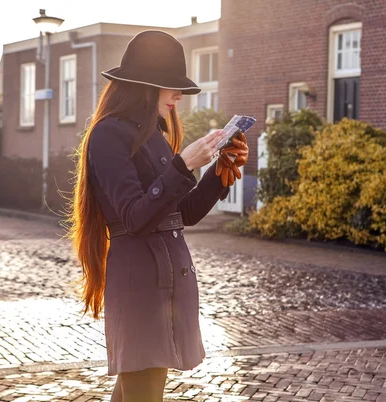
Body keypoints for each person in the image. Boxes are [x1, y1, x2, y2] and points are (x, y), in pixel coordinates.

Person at [68, 30, 249, 401]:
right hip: (140, 286)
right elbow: (134, 217)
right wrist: (183, 165)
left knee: (136, 395)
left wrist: (218, 172)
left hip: (167, 283)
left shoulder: (153, 135)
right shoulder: (107, 136)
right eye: (170, 86)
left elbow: (183, 213)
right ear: (144, 85)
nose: (178, 96)